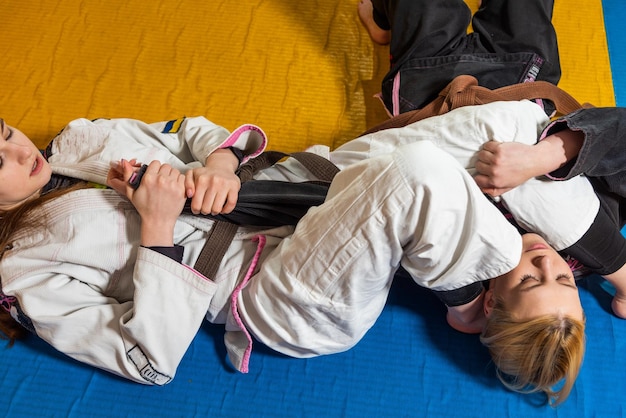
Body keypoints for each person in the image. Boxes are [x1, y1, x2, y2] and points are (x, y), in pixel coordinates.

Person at [0, 101, 585, 402]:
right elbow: (146, 360)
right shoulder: (24, 262)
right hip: (271, 286)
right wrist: (156, 228)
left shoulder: (80, 137)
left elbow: (194, 131)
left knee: (513, 124)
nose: (16, 150)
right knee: (419, 173)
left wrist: (218, 165)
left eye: (4, 134)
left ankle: (556, 283)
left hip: (298, 187)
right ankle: (473, 296)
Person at [356, 0, 592, 405]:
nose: (547, 262)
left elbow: (409, 230)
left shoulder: (454, 262)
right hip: (522, 78)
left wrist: (463, 311)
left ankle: (385, 18)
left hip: (435, 90)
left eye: (530, 280)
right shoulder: (583, 244)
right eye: (564, 279)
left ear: (491, 300)